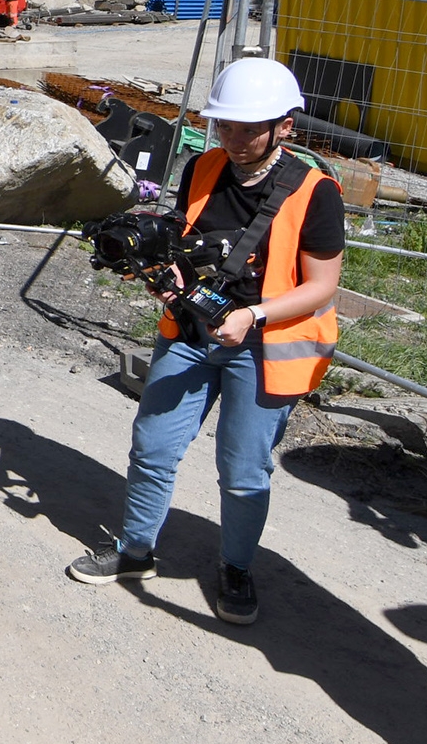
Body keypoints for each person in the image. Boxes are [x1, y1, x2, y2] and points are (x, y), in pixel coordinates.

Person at [69, 58, 345, 625]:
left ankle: (236, 568)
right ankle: (134, 552)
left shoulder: (317, 194)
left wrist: (254, 315)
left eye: (249, 129)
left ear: (284, 126)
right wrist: (165, 277)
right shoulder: (203, 166)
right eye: (226, 126)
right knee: (153, 446)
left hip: (262, 347)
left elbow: (321, 287)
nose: (235, 139)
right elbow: (183, 240)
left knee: (244, 471)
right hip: (192, 334)